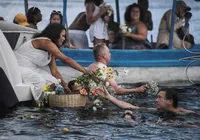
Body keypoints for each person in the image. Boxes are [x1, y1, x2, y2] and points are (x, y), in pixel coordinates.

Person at [14, 23, 92, 103]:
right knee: (41, 82)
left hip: (33, 69)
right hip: (19, 67)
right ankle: (38, 107)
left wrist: (64, 84)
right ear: (55, 34)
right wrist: (85, 71)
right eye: (62, 36)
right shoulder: (45, 42)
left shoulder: (52, 50)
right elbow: (66, 60)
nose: (63, 39)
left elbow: (54, 71)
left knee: (55, 83)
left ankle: (49, 104)